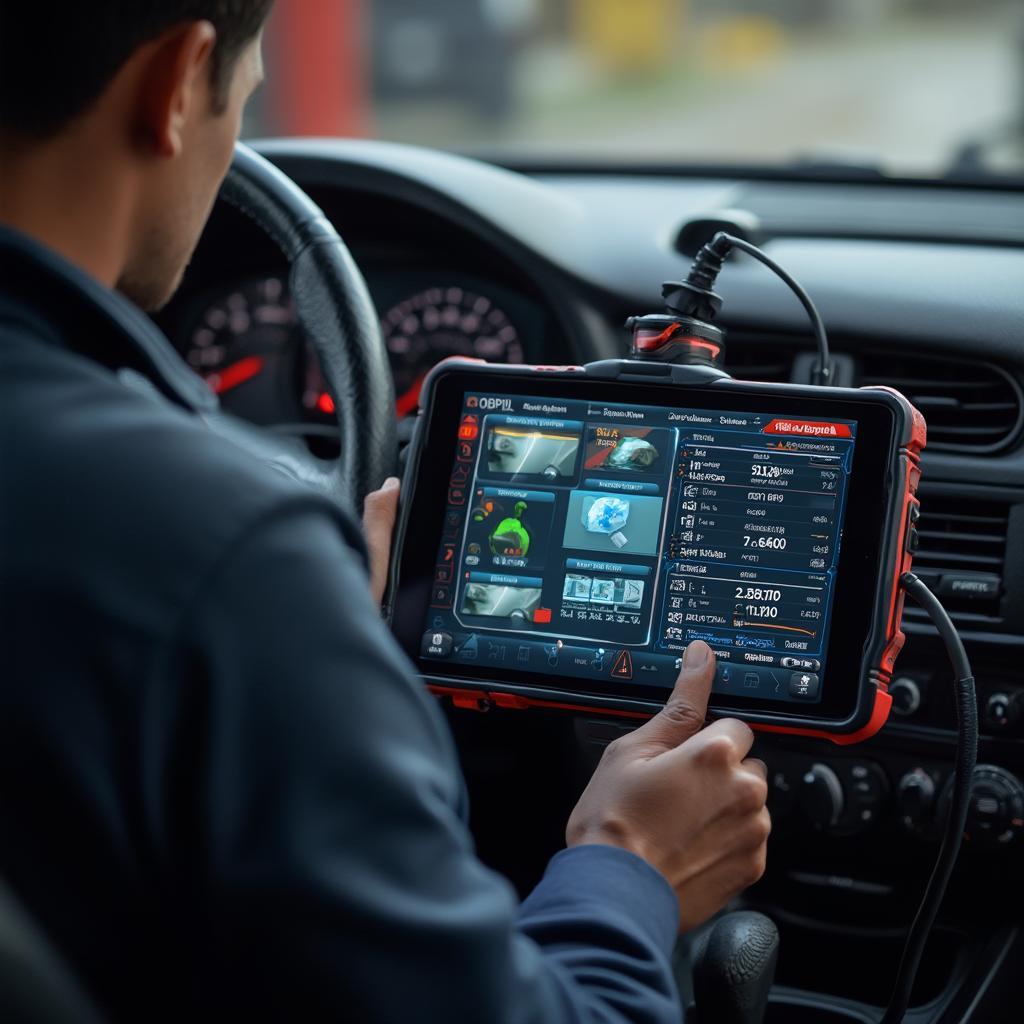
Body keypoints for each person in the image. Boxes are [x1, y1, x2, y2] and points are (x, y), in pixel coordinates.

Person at [0, 3, 770, 1021]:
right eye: (248, 89)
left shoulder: (236, 592)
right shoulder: (227, 558)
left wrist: (311, 658)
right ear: (178, 83)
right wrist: (628, 871)